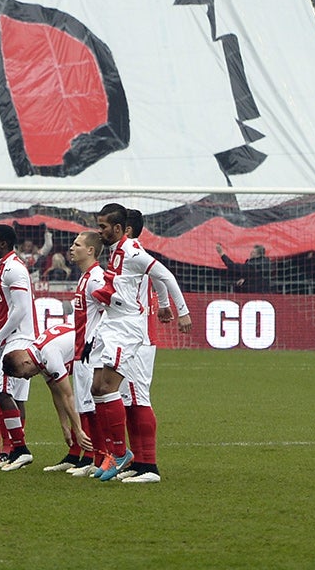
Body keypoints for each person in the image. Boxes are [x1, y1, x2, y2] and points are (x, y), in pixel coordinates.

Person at [86, 201, 191, 484]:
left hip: (136, 334)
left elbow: (163, 275)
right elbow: (154, 280)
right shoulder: (119, 253)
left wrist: (181, 311)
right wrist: (165, 306)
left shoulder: (133, 251)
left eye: (104, 226)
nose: (100, 231)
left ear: (124, 229)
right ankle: (132, 460)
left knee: (135, 398)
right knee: (120, 397)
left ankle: (147, 466)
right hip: (120, 326)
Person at [38, 230, 105, 474]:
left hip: (91, 352)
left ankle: (94, 458)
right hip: (81, 351)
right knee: (85, 405)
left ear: (90, 250)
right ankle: (81, 455)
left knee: (90, 406)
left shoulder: (97, 277)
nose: (71, 248)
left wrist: (94, 340)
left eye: (77, 244)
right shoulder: (85, 277)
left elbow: (111, 310)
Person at [0, 221, 39, 470]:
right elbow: (1, 310)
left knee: (1, 390)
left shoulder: (14, 269)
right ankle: (15, 450)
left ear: (3, 243)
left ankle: (20, 449)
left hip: (21, 337)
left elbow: (21, 310)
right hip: (9, 336)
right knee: (8, 392)